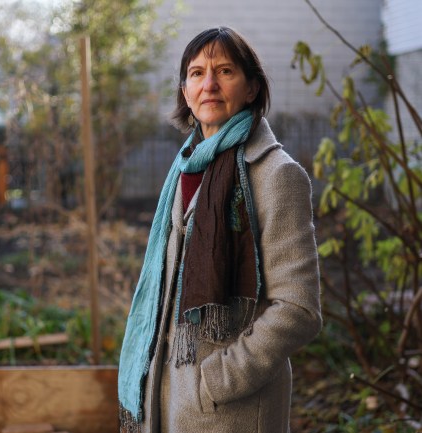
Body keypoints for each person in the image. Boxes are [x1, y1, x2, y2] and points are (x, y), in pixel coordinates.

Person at [118, 26, 322, 433]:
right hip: (170, 404)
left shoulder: (276, 176)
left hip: (230, 411)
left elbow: (298, 310)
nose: (208, 84)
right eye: (196, 73)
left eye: (225, 71)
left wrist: (215, 381)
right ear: (184, 91)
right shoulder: (186, 167)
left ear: (251, 88)